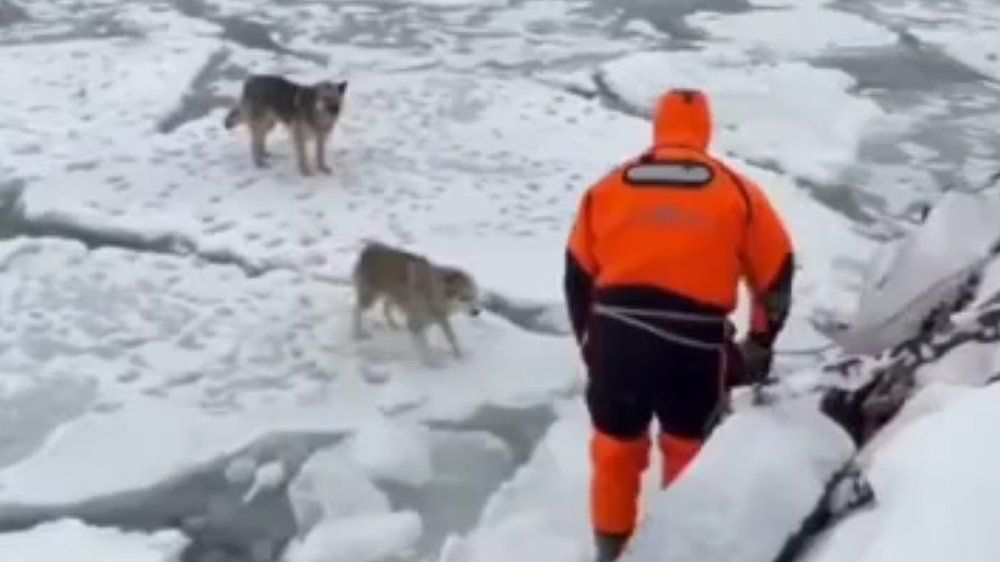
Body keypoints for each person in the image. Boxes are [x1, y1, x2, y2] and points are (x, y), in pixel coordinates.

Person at [563, 88, 795, 561]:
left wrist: (590, 341)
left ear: (658, 127)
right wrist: (760, 342)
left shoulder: (609, 187)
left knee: (614, 451)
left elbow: (576, 276)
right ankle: (679, 552)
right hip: (692, 349)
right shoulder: (737, 191)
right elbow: (776, 273)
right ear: (705, 130)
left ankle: (610, 553)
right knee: (688, 450)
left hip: (616, 338)